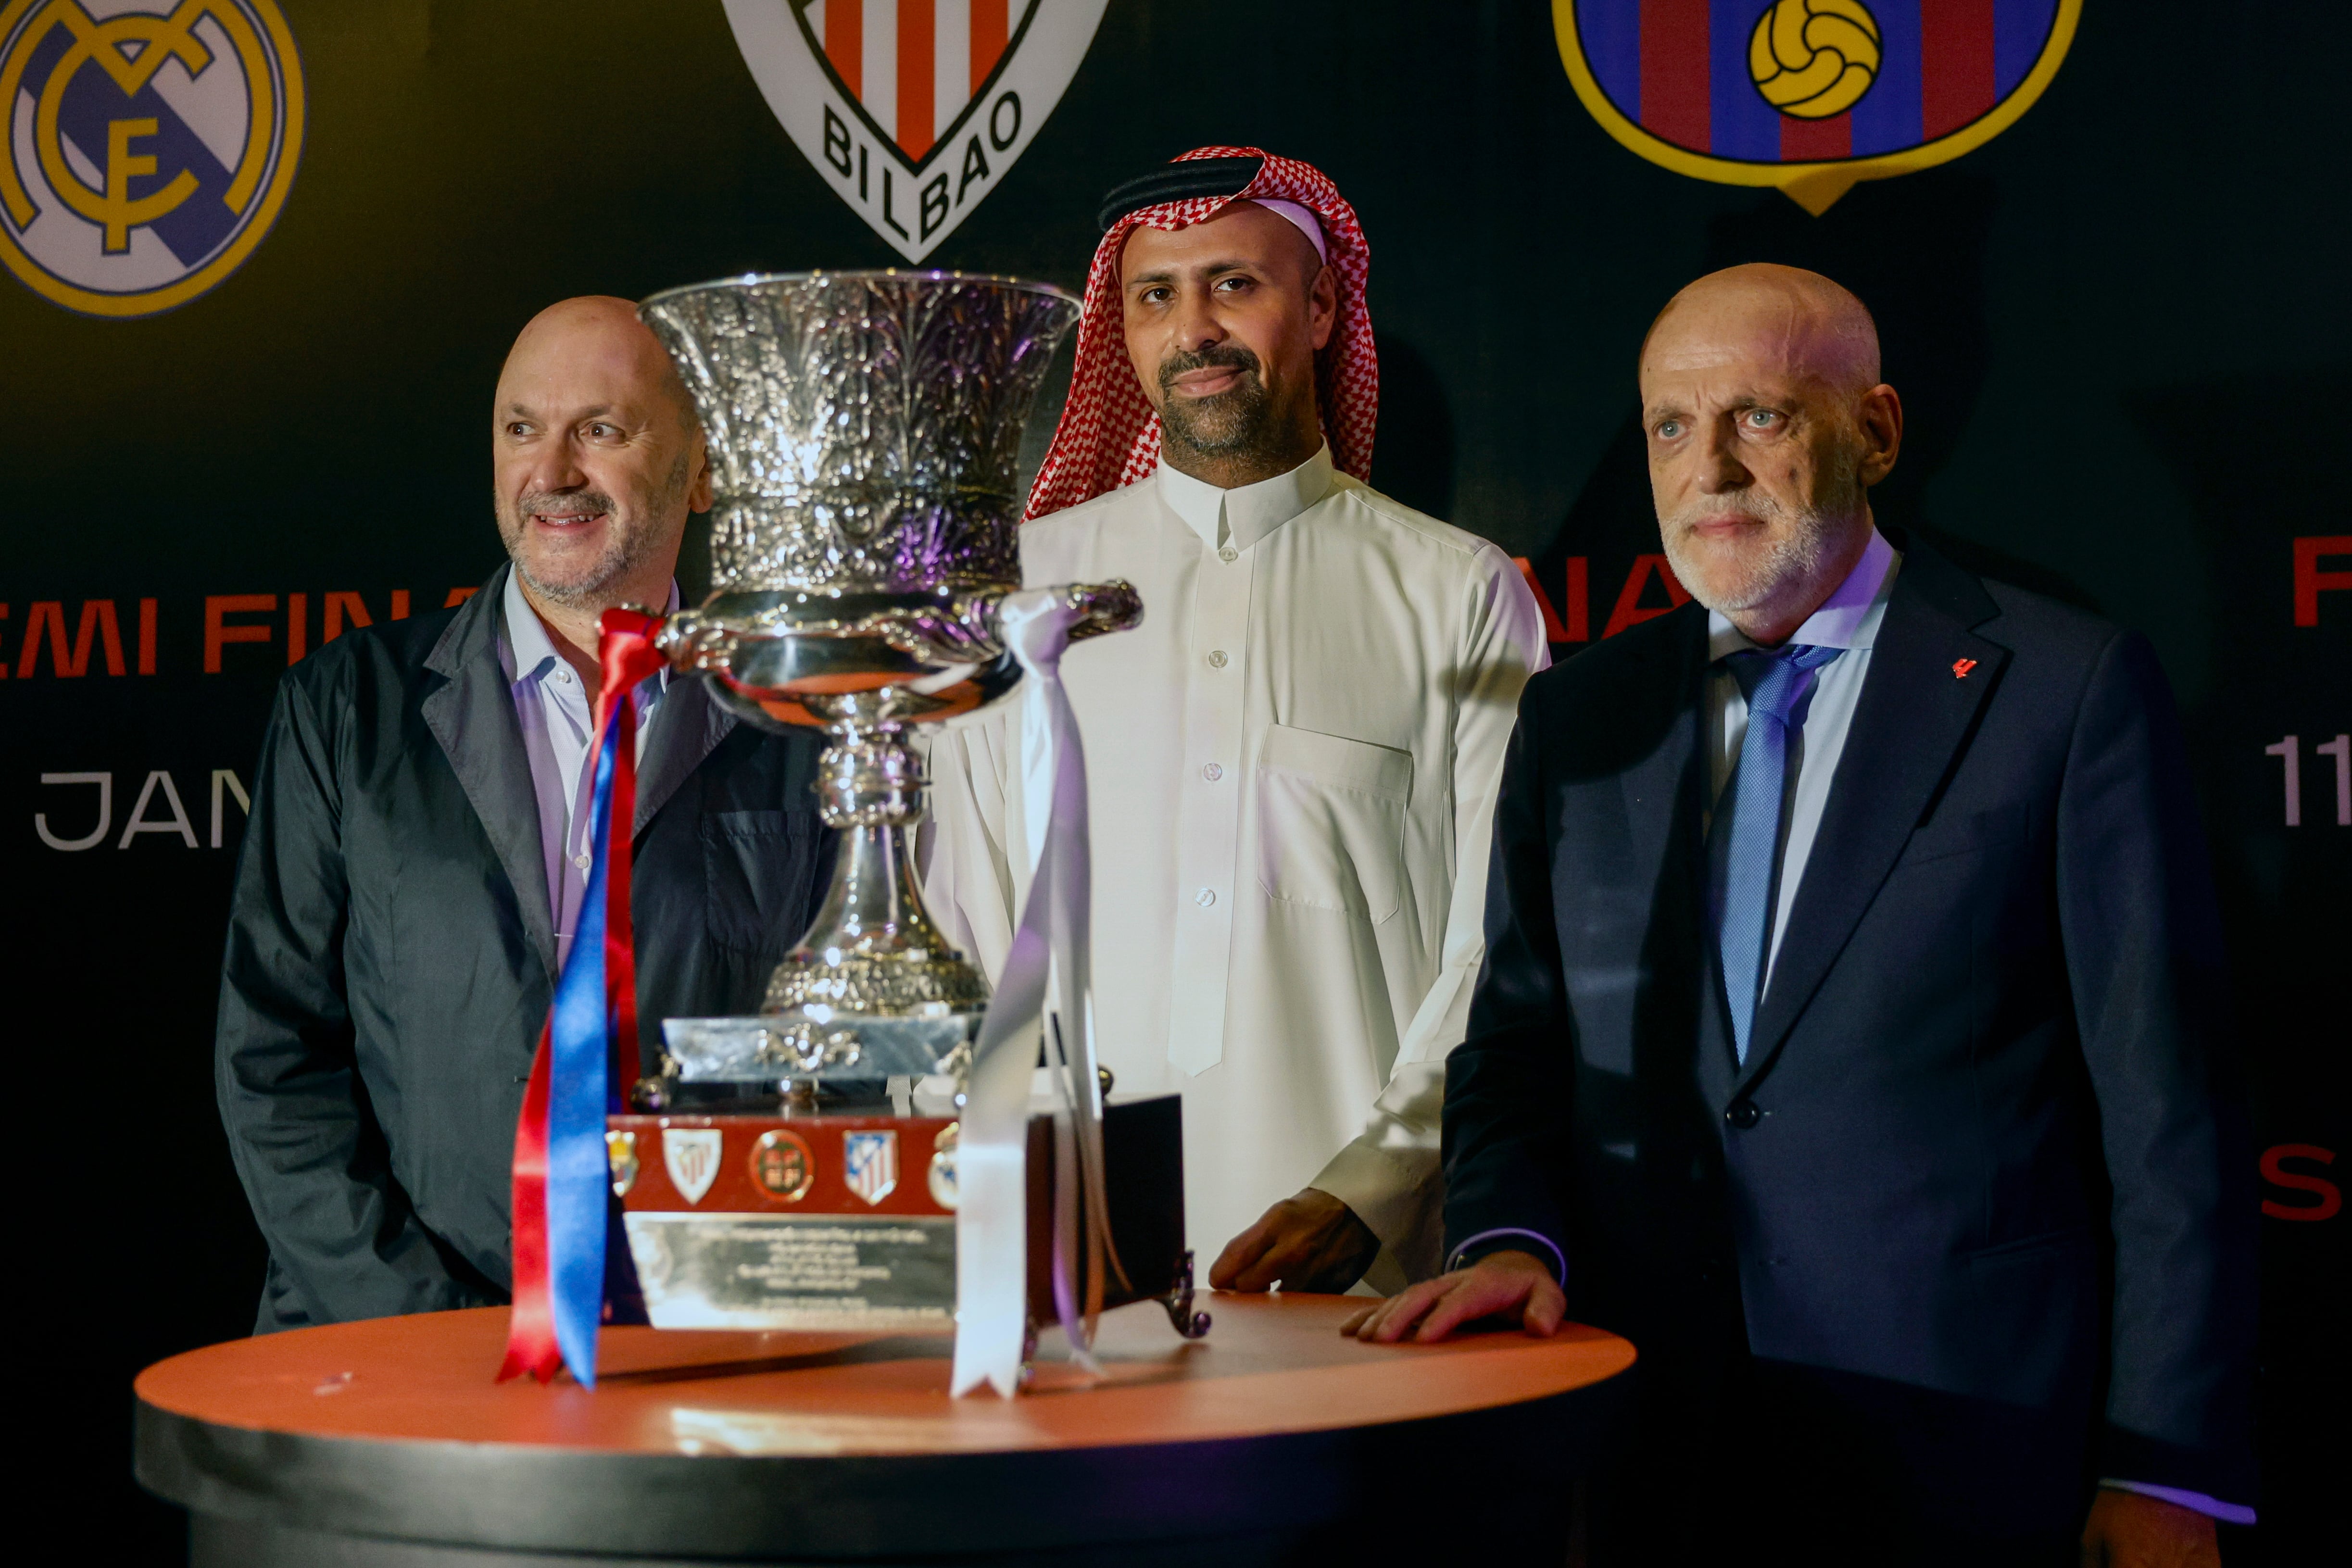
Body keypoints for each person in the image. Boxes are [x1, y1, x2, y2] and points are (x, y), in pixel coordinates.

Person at [1346, 265, 2256, 1565]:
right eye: (1670, 426)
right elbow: (1513, 1052)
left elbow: (2167, 1115)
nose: (1708, 468)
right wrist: (1506, 1236)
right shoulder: (1581, 716)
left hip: (1971, 1450)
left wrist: (2167, 1467)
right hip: (1652, 1443)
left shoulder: (2063, 690)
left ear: (1874, 431)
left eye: (1759, 416)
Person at [924, 148, 1547, 1293]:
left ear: (1322, 308)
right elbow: (961, 923)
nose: (1194, 329)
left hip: (1358, 1274)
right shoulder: (1020, 593)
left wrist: (1370, 1187)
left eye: (1234, 284)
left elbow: (1495, 940)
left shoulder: (1456, 590)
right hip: (1070, 1260)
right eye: (1155, 296)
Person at [217, 297, 834, 1331]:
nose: (551, 471)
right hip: (388, 1349)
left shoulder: (800, 723)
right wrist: (425, 1322)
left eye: (601, 429)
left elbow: (845, 1068)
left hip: (697, 1351)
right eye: (521, 428)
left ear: (702, 468)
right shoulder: (348, 705)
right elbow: (273, 1056)